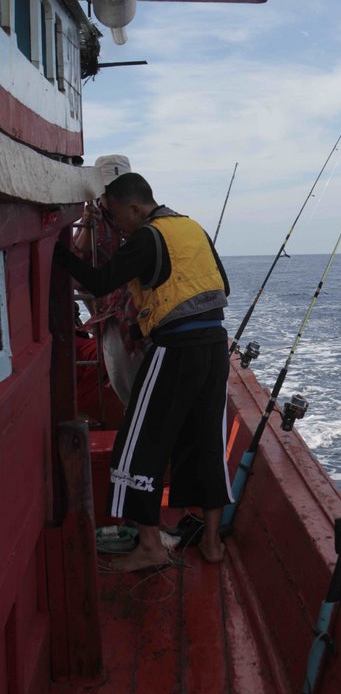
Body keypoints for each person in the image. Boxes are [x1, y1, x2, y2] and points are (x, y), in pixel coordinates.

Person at [55, 173, 233, 570]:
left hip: (174, 350)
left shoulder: (146, 236)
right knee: (206, 441)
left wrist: (57, 251)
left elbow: (100, 284)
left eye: (118, 216)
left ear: (135, 207)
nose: (117, 226)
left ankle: (151, 547)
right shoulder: (192, 228)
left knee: (138, 446)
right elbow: (221, 285)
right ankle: (212, 543)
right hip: (215, 347)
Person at [74, 155, 145, 407]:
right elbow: (75, 277)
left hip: (146, 315)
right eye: (108, 189)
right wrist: (85, 229)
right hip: (113, 321)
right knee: (127, 390)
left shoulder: (142, 219)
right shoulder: (91, 222)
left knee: (149, 384)